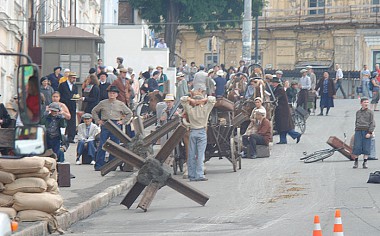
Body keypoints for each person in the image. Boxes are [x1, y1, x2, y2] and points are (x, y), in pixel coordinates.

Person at [91, 85, 133, 171]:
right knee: (102, 144)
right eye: (110, 93)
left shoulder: (120, 104)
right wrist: (98, 120)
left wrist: (122, 121)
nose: (111, 95)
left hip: (116, 124)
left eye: (113, 93)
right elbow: (94, 111)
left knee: (115, 145)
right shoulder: (103, 103)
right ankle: (99, 164)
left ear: (117, 95)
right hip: (105, 123)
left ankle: (112, 164)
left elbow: (129, 113)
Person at [181, 92, 216, 181]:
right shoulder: (205, 109)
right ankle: (199, 175)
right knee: (200, 154)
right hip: (202, 132)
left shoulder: (190, 110)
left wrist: (191, 100)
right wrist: (203, 100)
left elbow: (182, 99)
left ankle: (191, 175)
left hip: (192, 132)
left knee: (191, 154)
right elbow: (212, 99)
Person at [271, 77, 302, 144]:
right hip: (280, 109)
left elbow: (276, 98)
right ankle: (283, 140)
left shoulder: (280, 89)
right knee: (282, 126)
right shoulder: (277, 89)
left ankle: (296, 134)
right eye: (272, 82)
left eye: (274, 83)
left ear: (277, 83)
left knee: (284, 126)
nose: (273, 84)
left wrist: (272, 101)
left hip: (282, 110)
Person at [352, 97, 375, 169]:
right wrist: (356, 130)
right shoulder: (358, 112)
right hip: (358, 130)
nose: (366, 104)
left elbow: (372, 123)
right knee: (357, 146)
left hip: (366, 131)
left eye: (367, 102)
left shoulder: (370, 112)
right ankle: (356, 161)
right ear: (361, 103)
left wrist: (370, 132)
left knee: (366, 147)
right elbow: (356, 122)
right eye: (365, 102)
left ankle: (365, 162)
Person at [58, 72, 78, 143]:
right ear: (69, 77)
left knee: (72, 121)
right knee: (63, 120)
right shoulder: (62, 85)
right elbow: (60, 94)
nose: (74, 79)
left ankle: (71, 137)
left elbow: (76, 94)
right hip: (65, 104)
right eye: (73, 78)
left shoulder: (75, 86)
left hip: (72, 105)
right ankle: (62, 136)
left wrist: (76, 98)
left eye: (75, 78)